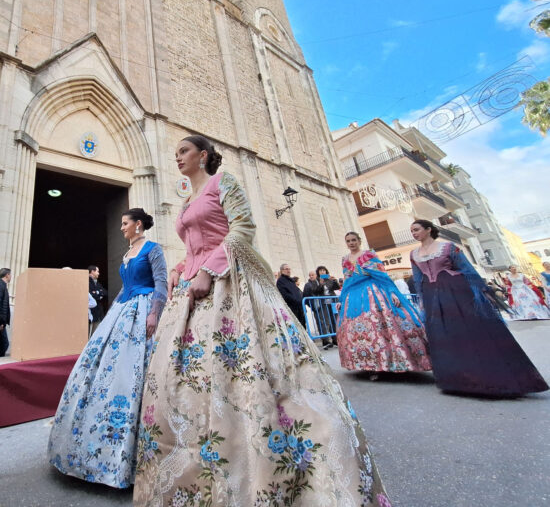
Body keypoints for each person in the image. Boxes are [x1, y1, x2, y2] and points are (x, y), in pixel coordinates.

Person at [133, 135, 389, 506]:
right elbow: (194, 246)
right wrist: (180, 268)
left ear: (203, 156)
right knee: (190, 380)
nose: (178, 157)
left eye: (184, 151)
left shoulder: (224, 183)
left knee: (247, 371)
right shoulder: (188, 199)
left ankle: (266, 460)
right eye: (174, 153)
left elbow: (242, 229)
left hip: (229, 285)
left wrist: (209, 269)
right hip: (191, 293)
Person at [49, 208, 167, 488]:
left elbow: (161, 282)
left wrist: (154, 313)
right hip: (122, 310)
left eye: (125, 224)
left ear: (138, 225)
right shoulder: (126, 254)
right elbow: (125, 286)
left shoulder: (153, 249)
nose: (122, 228)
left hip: (143, 309)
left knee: (135, 370)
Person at [410, 219, 548, 396]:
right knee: (445, 334)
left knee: (470, 331)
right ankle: (459, 379)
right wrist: (422, 299)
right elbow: (417, 278)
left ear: (428, 230)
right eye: (412, 231)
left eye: (416, 229)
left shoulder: (448, 248)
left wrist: (482, 291)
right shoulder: (414, 254)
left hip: (456, 291)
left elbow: (467, 269)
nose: (414, 233)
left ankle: (490, 377)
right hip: (432, 296)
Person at [336, 231, 431, 378]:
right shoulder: (345, 259)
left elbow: (382, 274)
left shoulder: (369, 255)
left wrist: (392, 292)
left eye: (354, 240)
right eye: (348, 241)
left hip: (372, 292)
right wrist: (341, 300)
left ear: (359, 241)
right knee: (358, 331)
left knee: (378, 327)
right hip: (353, 297)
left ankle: (386, 363)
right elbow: (347, 279)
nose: (351, 243)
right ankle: (369, 364)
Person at [88, 264, 108, 337]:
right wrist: (99, 294)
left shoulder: (97, 282)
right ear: (92, 271)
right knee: (91, 334)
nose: (98, 273)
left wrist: (97, 292)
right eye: (97, 271)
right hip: (92, 313)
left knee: (97, 333)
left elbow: (105, 292)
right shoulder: (86, 281)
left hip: (99, 312)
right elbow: (90, 295)